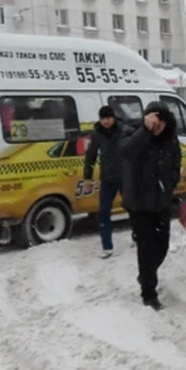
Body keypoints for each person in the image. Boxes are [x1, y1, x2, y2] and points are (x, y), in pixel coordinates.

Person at [120, 101, 182, 311]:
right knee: (145, 249)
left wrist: (169, 185)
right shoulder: (133, 134)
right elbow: (126, 152)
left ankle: (146, 273)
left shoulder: (170, 140)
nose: (158, 127)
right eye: (154, 122)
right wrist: (145, 130)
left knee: (162, 247)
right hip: (138, 203)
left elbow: (176, 165)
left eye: (161, 123)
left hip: (161, 202)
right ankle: (149, 292)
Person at [83, 106, 123, 258]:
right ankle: (107, 246)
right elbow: (90, 156)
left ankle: (137, 236)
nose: (106, 121)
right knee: (103, 212)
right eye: (103, 118)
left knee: (133, 208)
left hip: (125, 177)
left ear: (113, 117)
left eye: (108, 118)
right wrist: (88, 177)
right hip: (107, 179)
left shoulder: (123, 130)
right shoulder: (97, 134)